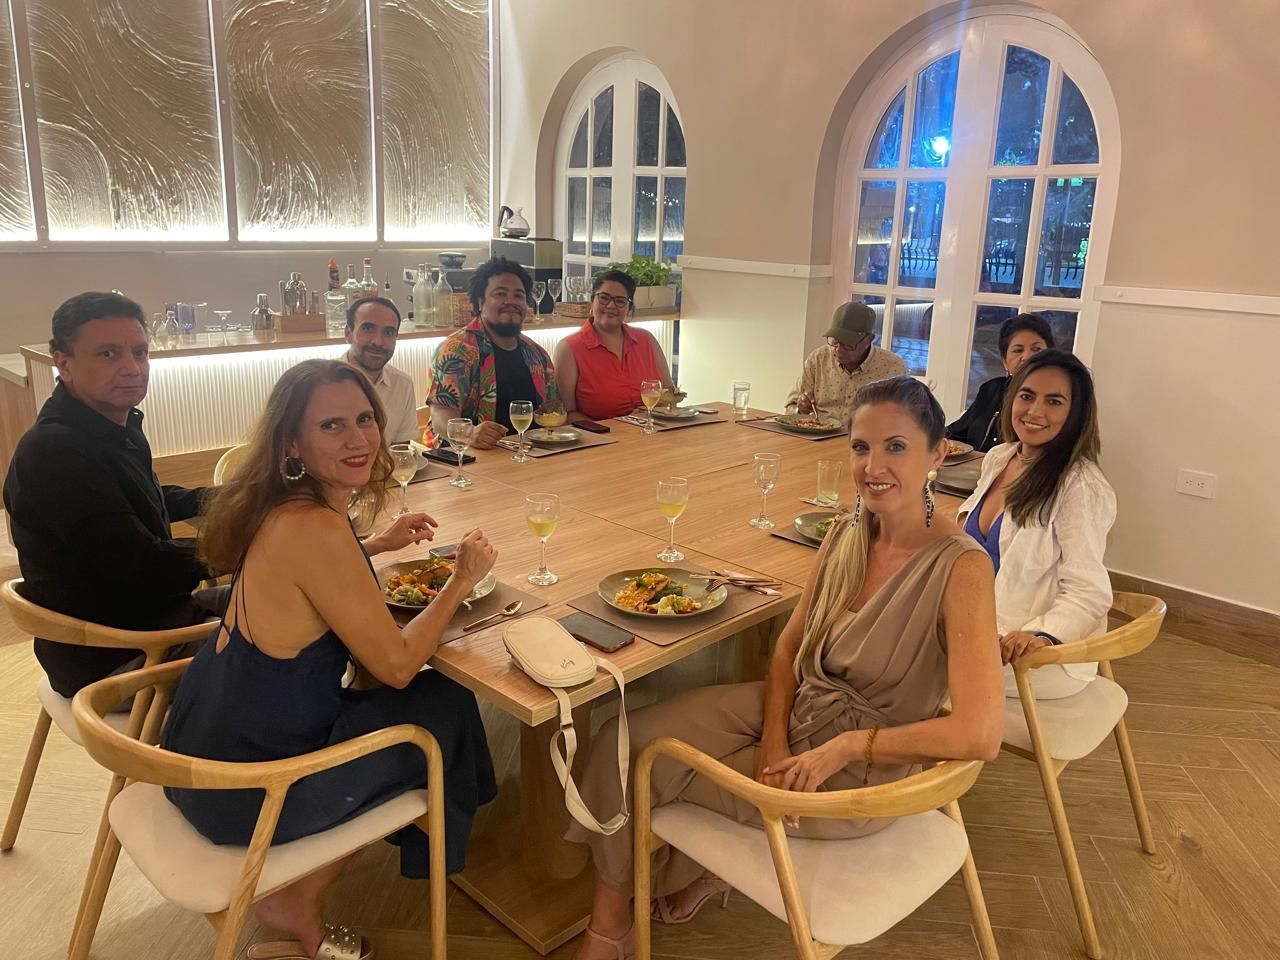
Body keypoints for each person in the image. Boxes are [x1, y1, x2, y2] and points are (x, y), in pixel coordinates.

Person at [566, 377, 1003, 960]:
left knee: (651, 773)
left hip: (857, 772)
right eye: (860, 447)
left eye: (896, 447)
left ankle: (611, 926)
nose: (873, 466)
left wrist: (847, 747)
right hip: (802, 711)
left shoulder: (961, 569)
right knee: (623, 741)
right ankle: (633, 904)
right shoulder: (848, 530)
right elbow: (788, 647)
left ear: (937, 453)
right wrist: (774, 738)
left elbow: (979, 734)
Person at [161, 359, 498, 960]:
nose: (358, 438)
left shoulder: (284, 507)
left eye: (365, 419)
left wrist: (375, 544)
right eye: (332, 425)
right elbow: (394, 665)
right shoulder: (315, 527)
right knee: (440, 703)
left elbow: (305, 581)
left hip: (197, 753)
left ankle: (447, 832)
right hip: (250, 792)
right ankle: (298, 897)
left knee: (428, 699)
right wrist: (460, 582)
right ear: (292, 441)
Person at [2, 292, 226, 696]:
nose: (132, 368)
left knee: (301, 599)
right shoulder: (55, 452)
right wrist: (243, 545)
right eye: (108, 354)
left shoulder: (104, 425)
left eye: (139, 353)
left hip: (157, 619)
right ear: (64, 363)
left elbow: (144, 497)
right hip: (118, 656)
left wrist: (231, 499)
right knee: (297, 632)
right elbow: (143, 564)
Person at [956, 350, 1115, 700]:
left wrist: (1043, 636)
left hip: (1030, 659)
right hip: (972, 628)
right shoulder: (1001, 458)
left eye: (1054, 401)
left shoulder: (1080, 485)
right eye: (1027, 396)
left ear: (1075, 414)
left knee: (891, 662)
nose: (1035, 411)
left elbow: (1089, 593)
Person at [423, 256, 559, 449]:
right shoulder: (457, 351)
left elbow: (553, 409)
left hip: (531, 456)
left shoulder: (537, 354)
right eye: (500, 294)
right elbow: (440, 415)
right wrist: (469, 434)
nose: (511, 301)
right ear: (479, 302)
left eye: (519, 295)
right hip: (469, 460)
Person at [553, 269, 674, 420]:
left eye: (620, 301)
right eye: (604, 298)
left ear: (629, 308)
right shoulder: (569, 348)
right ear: (592, 301)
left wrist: (650, 414)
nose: (611, 305)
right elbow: (567, 414)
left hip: (656, 433)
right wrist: (621, 426)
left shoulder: (647, 340)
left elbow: (670, 395)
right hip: (602, 439)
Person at [785, 302, 906, 426]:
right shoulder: (818, 359)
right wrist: (800, 409)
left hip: (869, 441)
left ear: (869, 339)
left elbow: (905, 421)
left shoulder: (893, 369)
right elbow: (790, 409)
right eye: (835, 340)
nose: (838, 349)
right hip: (819, 438)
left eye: (848, 343)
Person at [947, 313, 1054, 452]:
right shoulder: (991, 390)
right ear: (1005, 361)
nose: (1027, 357)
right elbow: (956, 434)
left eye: (1036, 349)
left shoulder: (1057, 401)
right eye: (1018, 350)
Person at [344, 295, 418, 445]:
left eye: (388, 332)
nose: (378, 341)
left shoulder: (402, 384)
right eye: (368, 329)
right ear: (348, 333)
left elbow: (403, 449)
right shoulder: (321, 386)